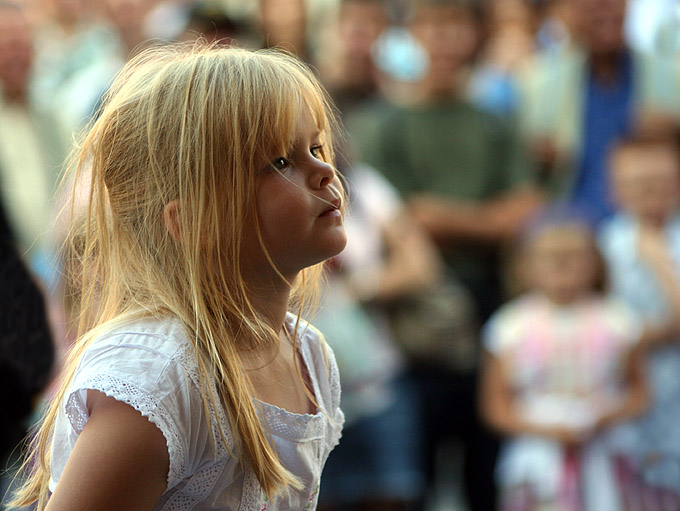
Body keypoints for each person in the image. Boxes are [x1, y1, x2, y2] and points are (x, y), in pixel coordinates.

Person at [8, 43, 347, 511]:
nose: (326, 170)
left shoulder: (308, 354)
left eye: (315, 147)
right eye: (281, 163)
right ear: (195, 222)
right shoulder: (158, 378)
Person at [480, 207, 648, 511]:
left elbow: (639, 393)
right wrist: (547, 429)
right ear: (525, 265)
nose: (562, 265)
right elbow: (495, 406)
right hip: (538, 456)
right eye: (549, 257)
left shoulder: (619, 321)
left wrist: (602, 417)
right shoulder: (509, 327)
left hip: (603, 453)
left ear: (595, 263)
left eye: (573, 256)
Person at [518, 0, 680, 222]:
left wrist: (674, 134)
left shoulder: (670, 77)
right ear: (569, 12)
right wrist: (539, 156)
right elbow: (523, 175)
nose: (603, 11)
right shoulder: (539, 84)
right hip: (574, 226)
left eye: (611, 2)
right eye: (590, 5)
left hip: (654, 223)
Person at [598, 133, 680, 505]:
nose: (650, 192)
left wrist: (659, 259)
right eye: (637, 183)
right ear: (613, 189)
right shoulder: (602, 245)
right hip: (631, 412)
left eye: (659, 181)